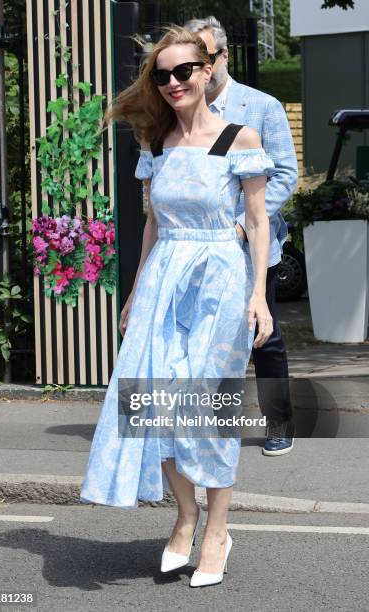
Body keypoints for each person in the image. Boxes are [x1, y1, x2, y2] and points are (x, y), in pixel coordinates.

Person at [80, 26, 276, 588]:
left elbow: (259, 222)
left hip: (220, 276)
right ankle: (185, 518)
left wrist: (259, 295)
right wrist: (138, 291)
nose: (172, 83)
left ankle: (218, 529)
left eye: (182, 71)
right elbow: (152, 223)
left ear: (207, 71)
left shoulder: (239, 138)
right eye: (161, 74)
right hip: (165, 273)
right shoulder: (156, 143)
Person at [184, 16, 298, 456]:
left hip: (251, 245)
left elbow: (285, 175)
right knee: (207, 335)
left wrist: (240, 223)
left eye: (206, 59)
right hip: (197, 249)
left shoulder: (261, 107)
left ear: (224, 56)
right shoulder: (180, 112)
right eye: (192, 62)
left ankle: (279, 422)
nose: (199, 71)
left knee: (261, 336)